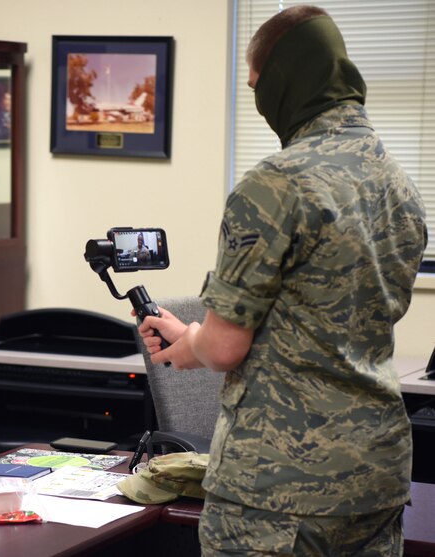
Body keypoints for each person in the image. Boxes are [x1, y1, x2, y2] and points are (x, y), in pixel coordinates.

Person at [137, 6, 427, 555]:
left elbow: (224, 346)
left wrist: (195, 342)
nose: (257, 99)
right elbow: (323, 318)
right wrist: (190, 338)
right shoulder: (399, 184)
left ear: (282, 79)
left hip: (280, 488)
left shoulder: (276, 182)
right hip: (377, 472)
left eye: (255, 84)